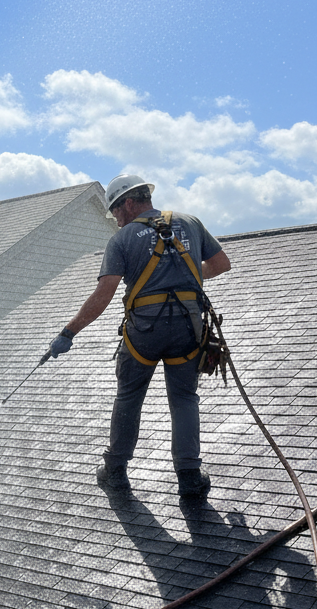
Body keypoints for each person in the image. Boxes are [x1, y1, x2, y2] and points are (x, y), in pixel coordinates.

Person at [48, 175, 231, 498]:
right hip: (188, 328)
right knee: (185, 399)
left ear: (129, 203)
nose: (116, 221)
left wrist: (68, 332)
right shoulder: (190, 223)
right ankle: (189, 476)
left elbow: (103, 294)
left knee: (129, 397)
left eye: (116, 213)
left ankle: (115, 471)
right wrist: (184, 272)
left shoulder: (123, 240)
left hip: (145, 332)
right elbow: (220, 264)